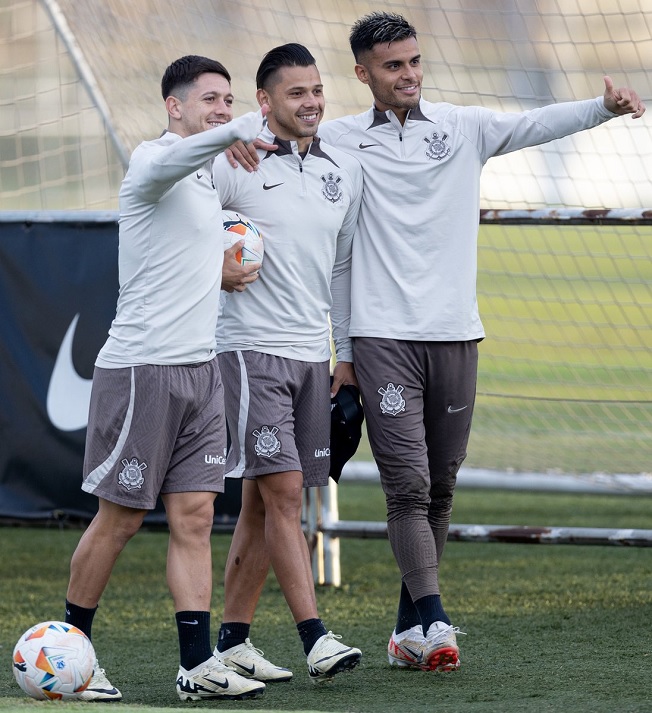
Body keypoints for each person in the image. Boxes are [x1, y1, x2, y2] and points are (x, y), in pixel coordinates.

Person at [231, 11, 646, 673]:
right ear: (363, 72)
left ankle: (405, 632)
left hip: (458, 332)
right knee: (408, 486)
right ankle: (435, 617)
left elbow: (536, 123)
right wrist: (346, 350)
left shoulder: (463, 127)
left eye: (414, 62)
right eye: (393, 66)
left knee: (442, 487)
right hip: (382, 337)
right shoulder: (337, 138)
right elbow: (278, 123)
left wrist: (602, 106)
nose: (409, 75)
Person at [62, 55, 268, 702]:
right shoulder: (151, 162)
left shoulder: (211, 173)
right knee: (119, 519)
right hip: (141, 369)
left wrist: (217, 269)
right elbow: (184, 160)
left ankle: (196, 663)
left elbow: (178, 257)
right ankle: (71, 654)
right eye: (210, 99)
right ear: (174, 107)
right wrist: (235, 129)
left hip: (200, 370)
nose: (221, 108)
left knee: (195, 516)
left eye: (228, 99)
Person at [210, 43, 364, 684]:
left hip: (311, 357)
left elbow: (342, 268)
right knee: (284, 493)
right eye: (295, 93)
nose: (311, 103)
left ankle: (233, 642)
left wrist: (345, 356)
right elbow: (163, 218)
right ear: (264, 102)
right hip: (249, 353)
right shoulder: (230, 161)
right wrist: (208, 265)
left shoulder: (342, 170)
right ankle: (315, 637)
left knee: (258, 504)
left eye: (317, 90)